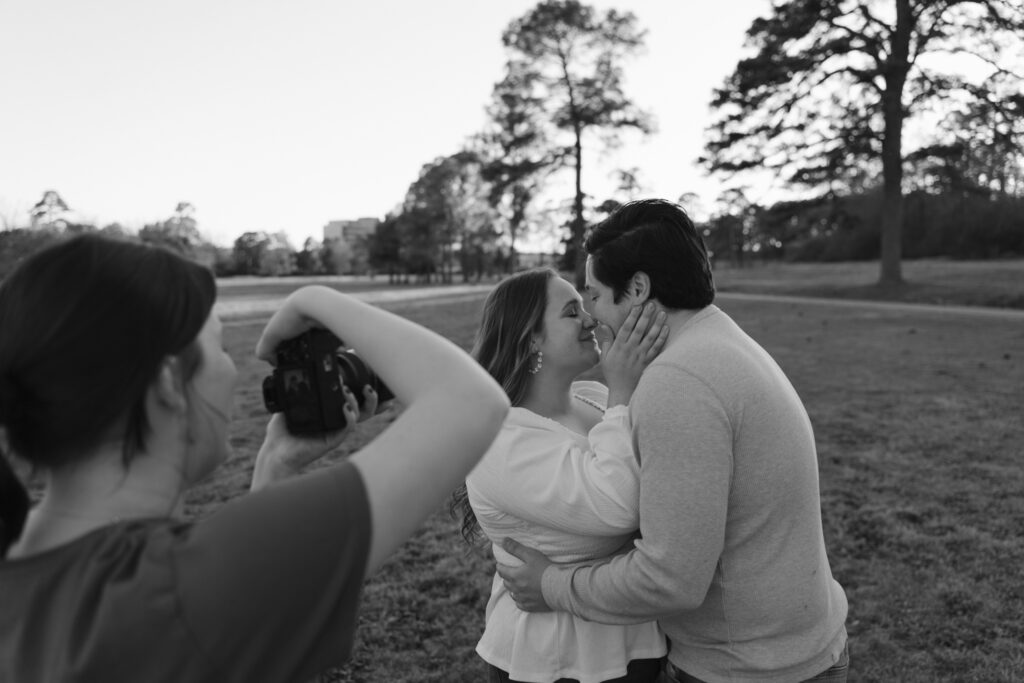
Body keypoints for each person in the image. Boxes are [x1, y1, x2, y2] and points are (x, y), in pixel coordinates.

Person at [0, 234, 509, 682]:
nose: (230, 370)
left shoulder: (28, 573)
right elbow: (469, 402)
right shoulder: (180, 590)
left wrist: (275, 469)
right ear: (167, 386)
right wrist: (316, 298)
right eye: (219, 347)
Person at [497, 200, 850, 683]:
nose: (594, 317)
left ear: (638, 288)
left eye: (595, 296)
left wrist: (552, 585)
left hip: (748, 668)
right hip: (794, 647)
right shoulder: (719, 338)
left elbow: (670, 580)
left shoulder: (679, 381)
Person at [452, 268, 669, 683]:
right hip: (556, 660)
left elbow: (662, 487)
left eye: (586, 307)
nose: (590, 319)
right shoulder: (500, 442)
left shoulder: (597, 399)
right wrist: (624, 389)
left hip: (636, 638)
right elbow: (620, 507)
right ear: (531, 337)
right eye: (572, 312)